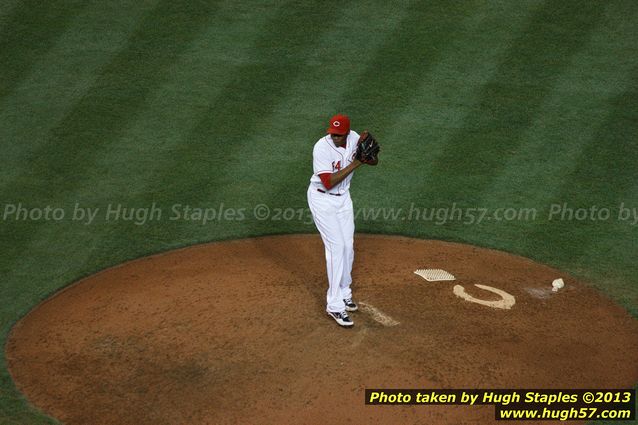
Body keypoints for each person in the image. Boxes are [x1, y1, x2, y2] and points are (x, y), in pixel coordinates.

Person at [307, 114, 378, 327]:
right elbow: (328, 182)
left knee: (348, 246)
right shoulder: (321, 147)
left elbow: (373, 161)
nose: (335, 137)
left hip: (344, 199)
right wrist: (358, 161)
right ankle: (334, 306)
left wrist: (369, 157)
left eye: (339, 135)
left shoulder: (355, 139)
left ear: (347, 133)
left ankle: (345, 292)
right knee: (336, 247)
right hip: (322, 199)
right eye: (333, 133)